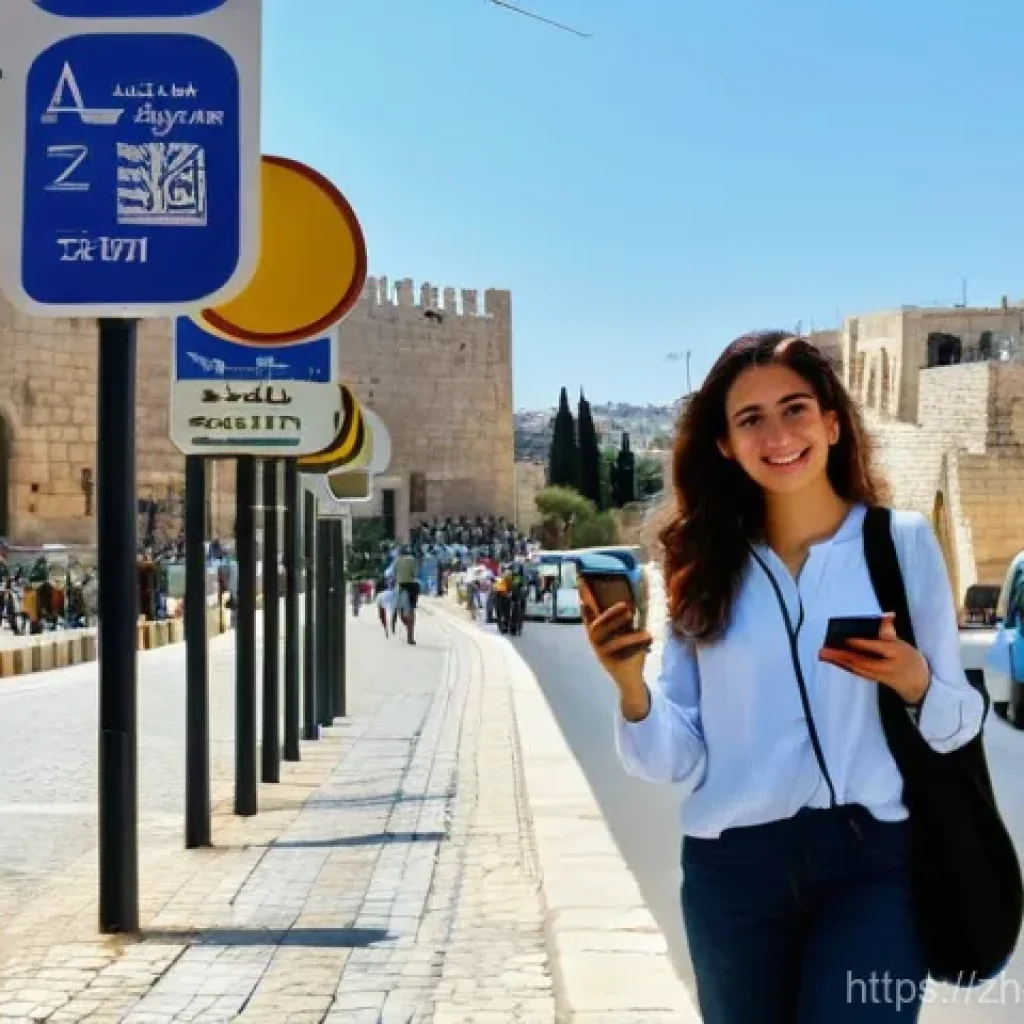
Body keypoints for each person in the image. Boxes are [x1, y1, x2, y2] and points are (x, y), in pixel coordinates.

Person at [580, 330, 985, 1023]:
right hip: (733, 873)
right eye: (750, 419)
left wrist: (915, 679)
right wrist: (632, 688)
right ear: (724, 445)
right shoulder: (698, 569)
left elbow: (956, 727)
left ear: (831, 423)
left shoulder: (902, 543)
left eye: (795, 408)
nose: (778, 434)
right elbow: (676, 757)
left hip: (874, 862)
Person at [393, 545, 420, 645]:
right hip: (412, 586)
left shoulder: (397, 560)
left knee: (401, 610)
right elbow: (415, 574)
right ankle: (410, 635)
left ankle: (407, 625)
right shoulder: (412, 559)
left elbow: (393, 573)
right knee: (411, 610)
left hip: (401, 586)